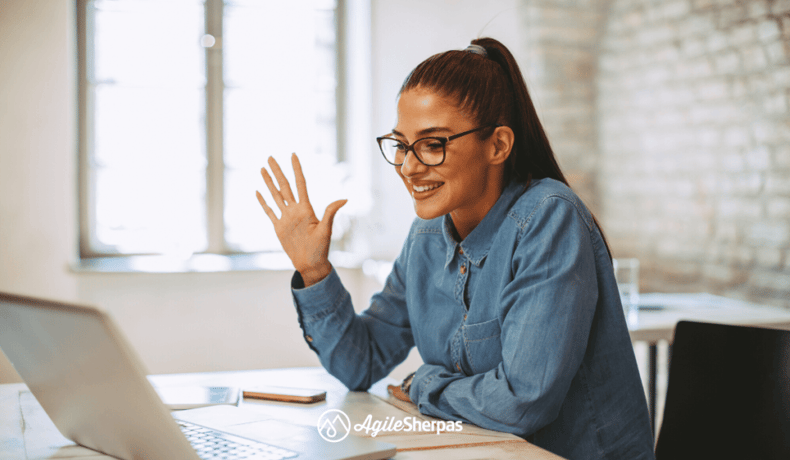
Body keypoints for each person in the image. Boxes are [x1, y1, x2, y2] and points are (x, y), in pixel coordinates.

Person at [256, 37, 655, 460]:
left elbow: (523, 400)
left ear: (498, 145)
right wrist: (314, 271)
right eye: (401, 145)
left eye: (433, 144)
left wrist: (425, 384)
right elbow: (362, 363)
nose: (409, 166)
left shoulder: (548, 218)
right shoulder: (426, 237)